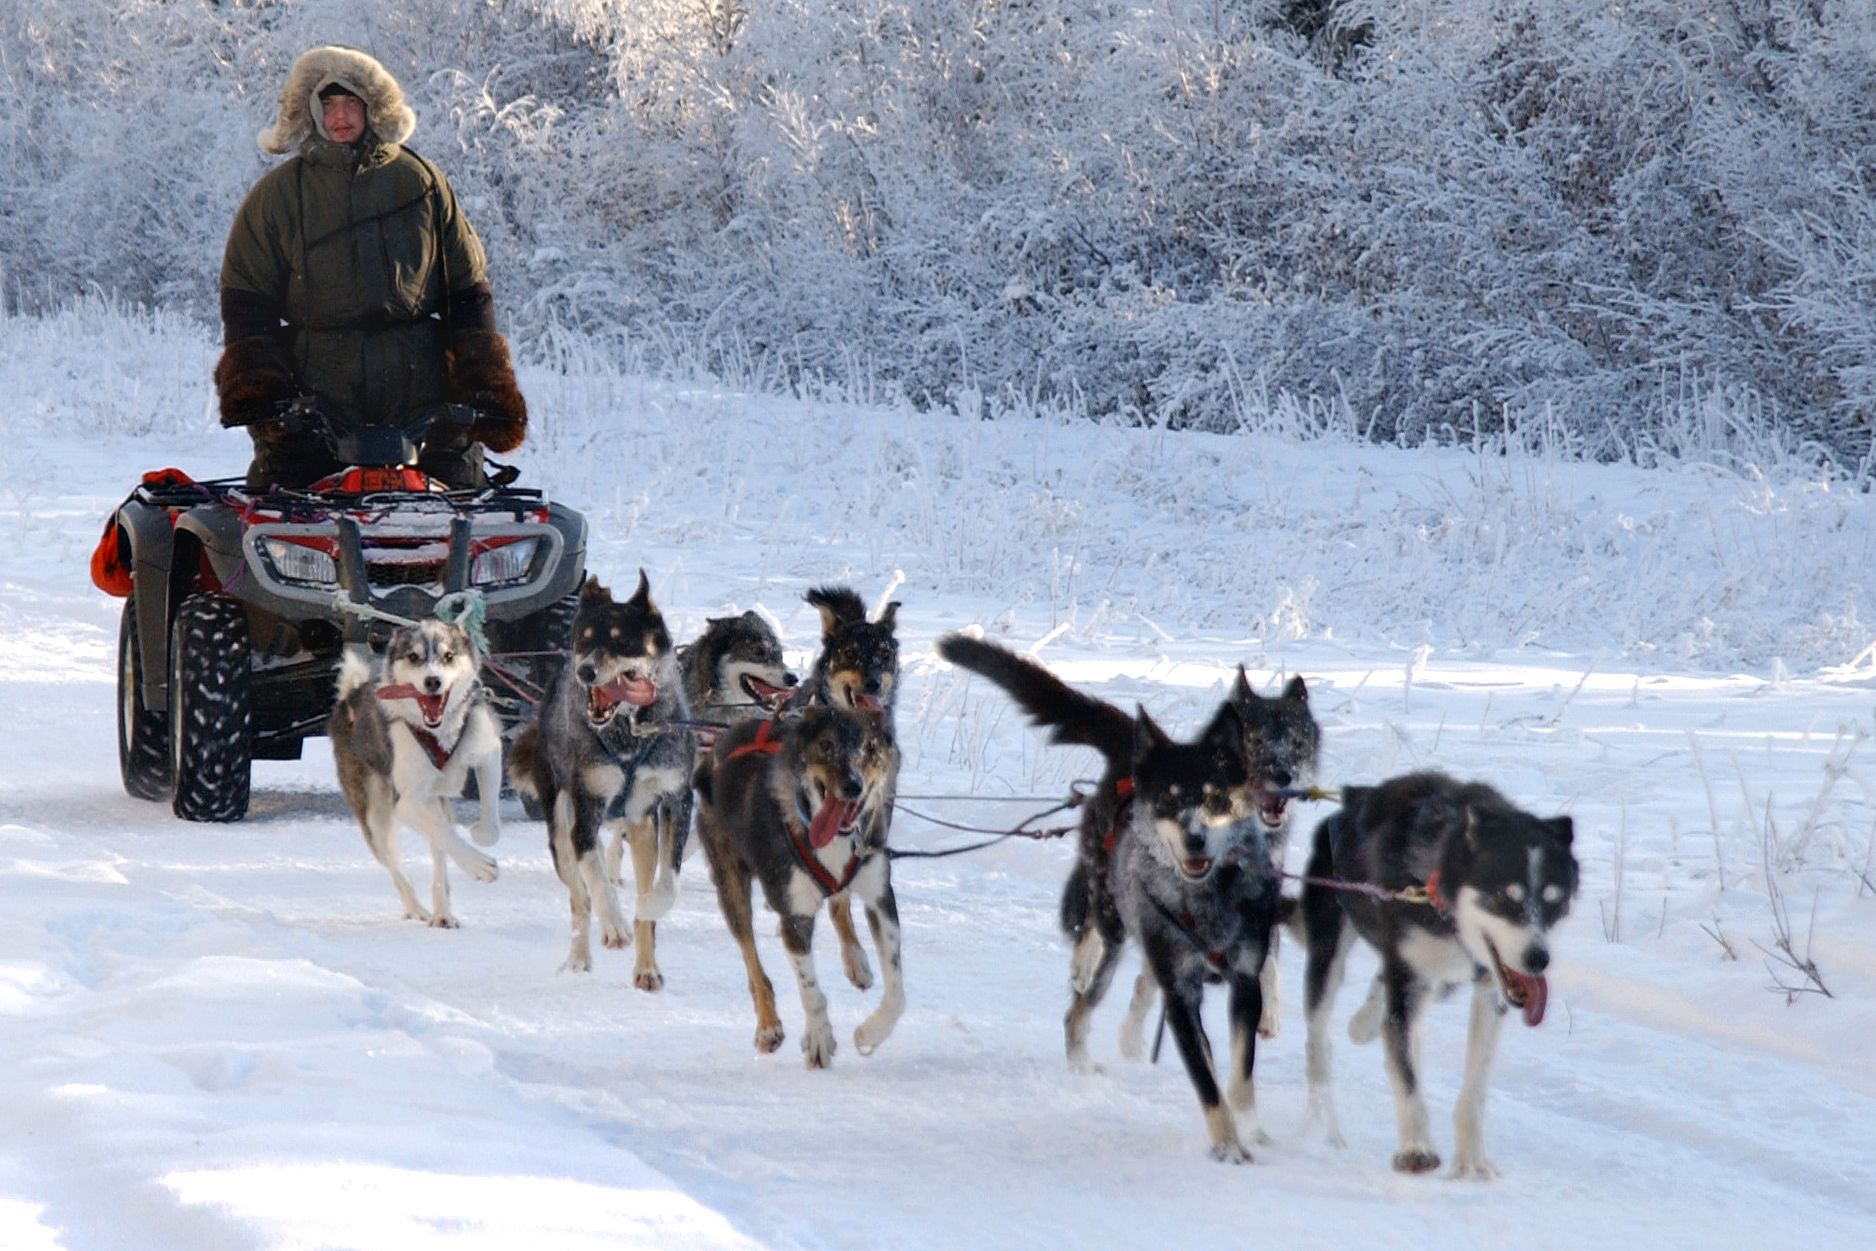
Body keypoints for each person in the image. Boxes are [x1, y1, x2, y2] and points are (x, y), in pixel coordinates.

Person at [214, 45, 526, 488]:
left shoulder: (422, 183)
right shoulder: (277, 196)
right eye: (328, 104)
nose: (340, 116)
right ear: (311, 111)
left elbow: (467, 291)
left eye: (351, 103)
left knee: (464, 512)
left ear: (372, 107)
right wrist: (261, 391)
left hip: (422, 391)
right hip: (316, 396)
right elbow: (247, 303)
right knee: (282, 514)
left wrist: (486, 384)